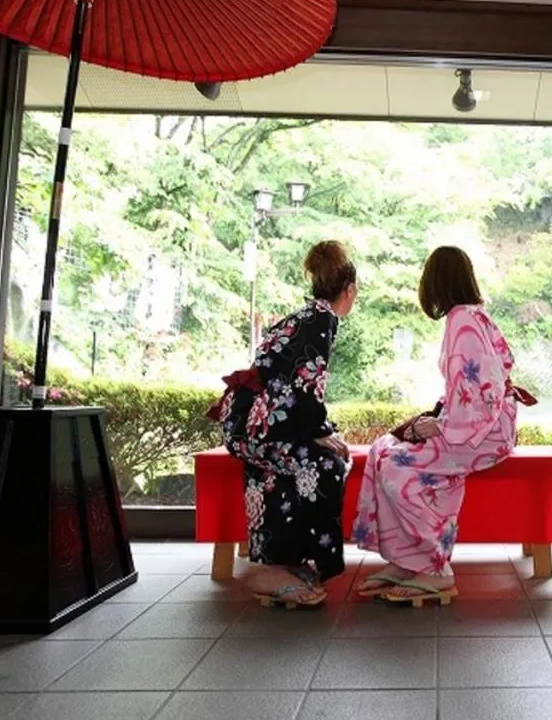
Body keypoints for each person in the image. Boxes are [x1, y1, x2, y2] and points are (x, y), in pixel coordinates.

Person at [352, 246, 527, 604]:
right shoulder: (469, 316)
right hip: (478, 425)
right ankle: (406, 560)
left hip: (481, 432)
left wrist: (443, 427)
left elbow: (483, 392)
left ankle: (434, 569)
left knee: (396, 465)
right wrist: (440, 420)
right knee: (384, 448)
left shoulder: (464, 321)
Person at [209, 240, 356, 607]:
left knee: (294, 464)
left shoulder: (305, 316)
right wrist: (323, 434)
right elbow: (307, 390)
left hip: (249, 423)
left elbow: (295, 389)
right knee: (325, 464)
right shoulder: (322, 321)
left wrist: (323, 430)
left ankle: (283, 562)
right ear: (349, 290)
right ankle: (273, 569)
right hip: (260, 428)